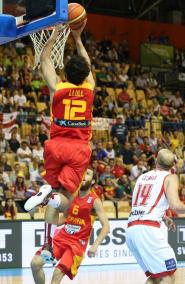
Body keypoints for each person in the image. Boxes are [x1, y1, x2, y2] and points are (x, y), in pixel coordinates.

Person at [24, 20, 95, 253]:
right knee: (66, 201)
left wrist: (55, 34)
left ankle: (47, 242)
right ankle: (50, 196)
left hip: (55, 145)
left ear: (65, 72)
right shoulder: (89, 88)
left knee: (56, 199)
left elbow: (45, 59)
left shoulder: (58, 86)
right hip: (78, 148)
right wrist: (77, 37)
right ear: (86, 74)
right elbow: (88, 64)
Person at [30, 169, 109, 284]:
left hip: (76, 245)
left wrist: (95, 245)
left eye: (87, 174)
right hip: (61, 238)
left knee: (57, 272)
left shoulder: (95, 200)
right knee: (35, 264)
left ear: (93, 181)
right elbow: (64, 218)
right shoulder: (72, 196)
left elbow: (106, 226)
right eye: (82, 173)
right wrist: (50, 219)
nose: (83, 175)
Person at [126, 149, 185, 284]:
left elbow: (142, 204)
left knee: (156, 277)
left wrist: (163, 217)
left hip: (132, 230)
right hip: (148, 231)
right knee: (168, 276)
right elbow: (176, 206)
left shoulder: (142, 177)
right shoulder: (170, 177)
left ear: (155, 160)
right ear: (173, 165)